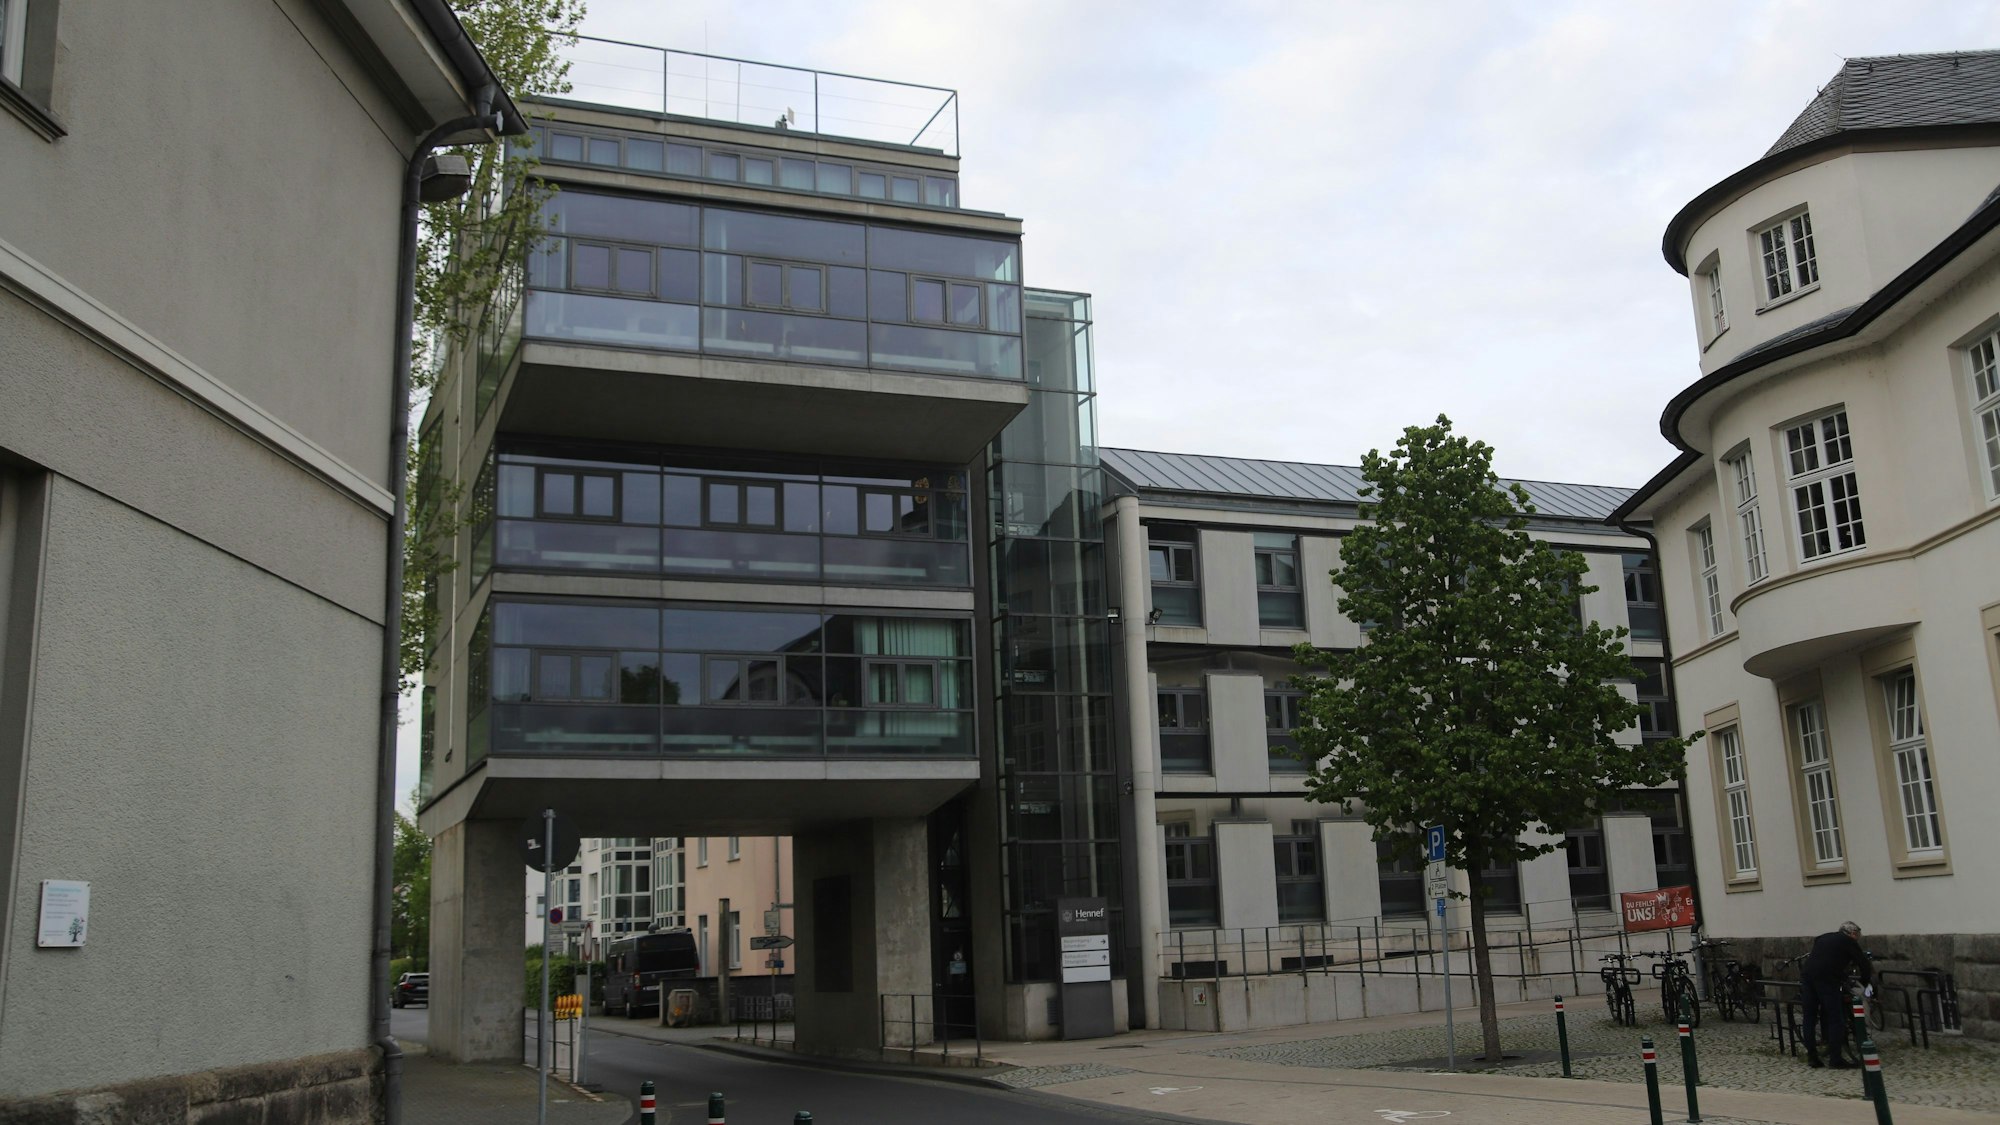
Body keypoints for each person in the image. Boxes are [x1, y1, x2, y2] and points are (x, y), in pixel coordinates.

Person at [1799, 921, 1872, 1068]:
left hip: (1807, 975)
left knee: (1809, 1017)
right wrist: (1864, 982)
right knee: (1836, 1018)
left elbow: (1827, 958)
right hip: (1826, 979)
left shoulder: (1823, 937)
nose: (1858, 938)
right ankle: (1836, 1059)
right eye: (1857, 935)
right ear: (1852, 934)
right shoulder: (1848, 941)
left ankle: (1812, 1057)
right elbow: (1863, 964)